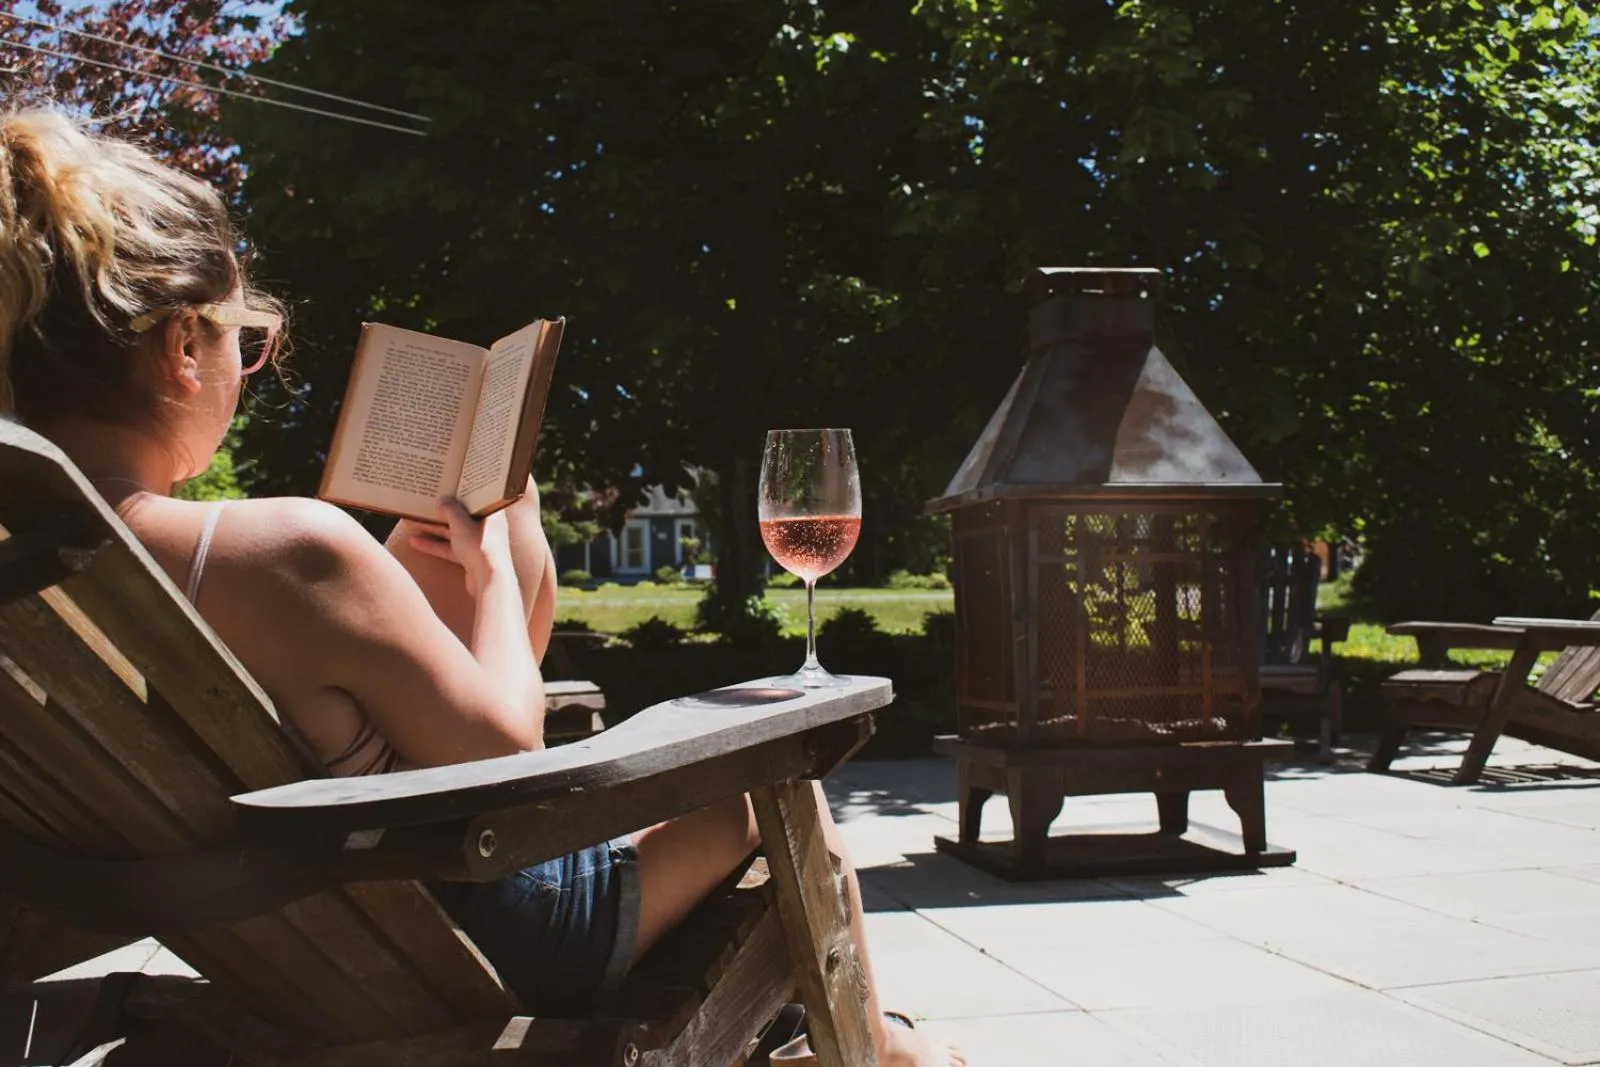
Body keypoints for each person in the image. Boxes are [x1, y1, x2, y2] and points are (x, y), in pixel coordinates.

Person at [0, 108, 963, 1067]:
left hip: (280, 943)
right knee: (787, 798)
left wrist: (398, 572)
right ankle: (879, 1050)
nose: (244, 372)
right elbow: (510, 753)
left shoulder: (49, 572)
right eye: (242, 344)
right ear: (179, 347)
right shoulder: (281, 549)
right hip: (491, 932)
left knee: (485, 552)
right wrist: (494, 568)